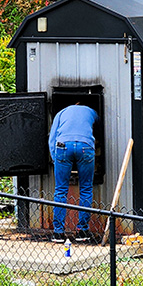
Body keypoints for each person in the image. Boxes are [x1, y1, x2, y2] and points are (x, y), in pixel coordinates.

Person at [48, 103, 98, 242]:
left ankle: (58, 233)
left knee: (60, 190)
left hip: (63, 147)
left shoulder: (61, 112)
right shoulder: (92, 111)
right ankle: (82, 231)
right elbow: (97, 127)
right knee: (86, 189)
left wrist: (55, 159)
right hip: (85, 146)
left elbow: (52, 138)